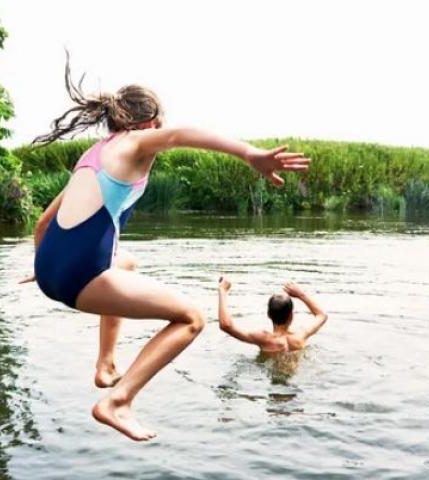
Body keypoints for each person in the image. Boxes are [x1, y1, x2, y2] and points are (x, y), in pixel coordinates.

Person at [21, 55, 311, 441]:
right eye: (160, 124)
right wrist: (249, 154)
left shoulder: (93, 156)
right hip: (77, 279)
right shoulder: (136, 141)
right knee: (191, 318)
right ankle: (118, 401)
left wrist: (43, 266)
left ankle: (106, 365)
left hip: (49, 269)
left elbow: (43, 223)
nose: (162, 132)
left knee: (126, 262)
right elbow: (179, 136)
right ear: (149, 122)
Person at [217, 276, 328, 352]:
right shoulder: (301, 335)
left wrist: (222, 290)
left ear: (268, 314)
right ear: (291, 316)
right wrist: (301, 294)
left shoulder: (263, 339)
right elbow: (322, 315)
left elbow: (226, 325)